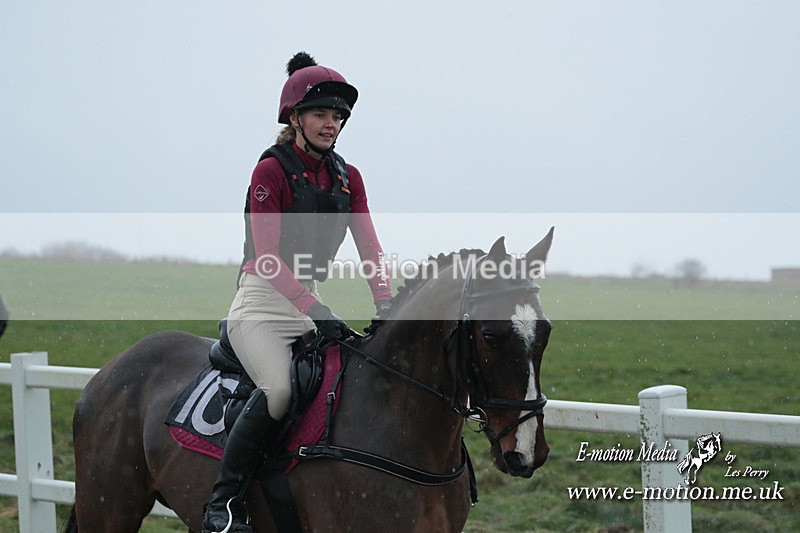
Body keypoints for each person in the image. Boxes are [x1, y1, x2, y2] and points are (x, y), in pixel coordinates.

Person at [202, 52, 393, 533]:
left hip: (308, 303)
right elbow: (267, 257)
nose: (331, 124)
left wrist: (386, 301)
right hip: (261, 303)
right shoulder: (270, 171)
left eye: (337, 117)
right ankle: (224, 504)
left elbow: (369, 245)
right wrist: (317, 310)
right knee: (280, 390)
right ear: (295, 118)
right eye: (320, 115)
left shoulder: (349, 178)